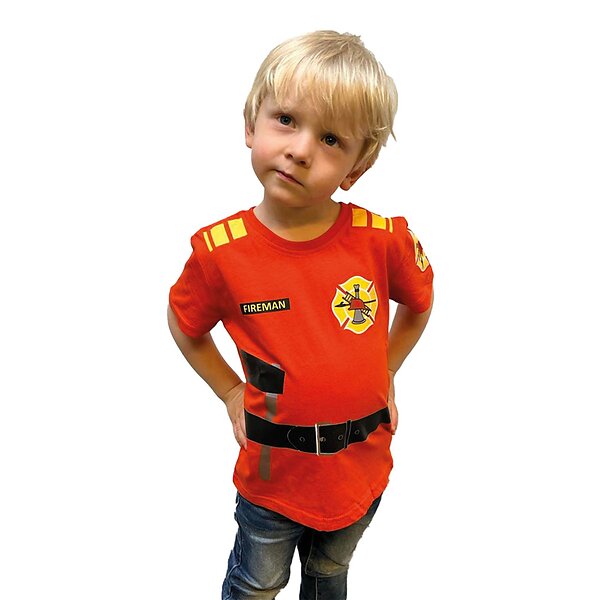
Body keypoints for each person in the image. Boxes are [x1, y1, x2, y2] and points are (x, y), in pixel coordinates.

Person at [168, 30, 434, 600]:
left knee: (329, 573)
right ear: (251, 123)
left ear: (357, 167)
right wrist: (230, 392)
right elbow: (185, 325)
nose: (301, 150)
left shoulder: (382, 241)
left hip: (359, 470)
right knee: (258, 583)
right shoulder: (220, 254)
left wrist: (386, 369)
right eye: (286, 120)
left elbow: (418, 303)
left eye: (332, 139)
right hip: (272, 477)